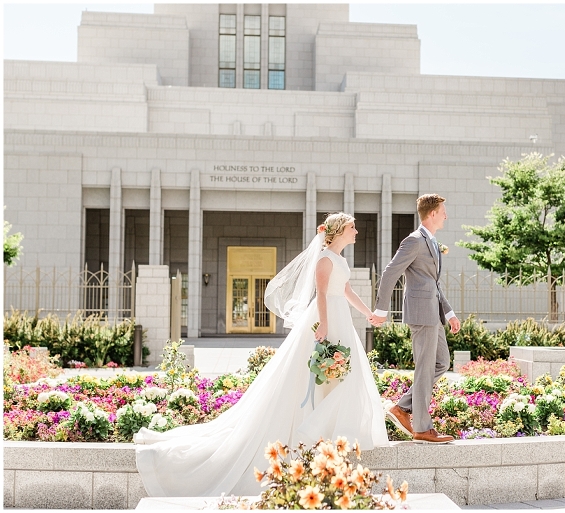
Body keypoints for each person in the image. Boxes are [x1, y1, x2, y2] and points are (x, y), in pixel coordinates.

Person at [133, 213, 388, 497]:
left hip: (343, 320)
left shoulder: (340, 260)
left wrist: (369, 314)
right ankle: (313, 432)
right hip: (327, 319)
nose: (356, 232)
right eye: (352, 227)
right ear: (339, 231)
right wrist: (325, 325)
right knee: (319, 375)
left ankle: (334, 431)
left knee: (343, 376)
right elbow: (323, 295)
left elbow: (346, 290)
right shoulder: (325, 259)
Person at [371, 194, 461, 444]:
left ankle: (401, 408)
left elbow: (433, 283)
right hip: (421, 315)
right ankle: (422, 427)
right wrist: (381, 309)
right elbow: (390, 272)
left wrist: (450, 312)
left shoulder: (432, 242)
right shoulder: (413, 241)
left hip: (435, 314)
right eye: (443, 211)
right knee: (425, 368)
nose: (446, 215)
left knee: (441, 363)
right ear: (432, 214)